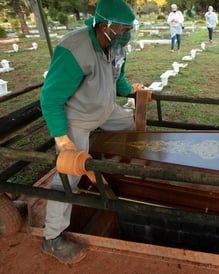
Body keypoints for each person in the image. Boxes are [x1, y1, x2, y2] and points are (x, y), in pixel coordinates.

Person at [39, 0, 145, 264]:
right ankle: (52, 238)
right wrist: (62, 139)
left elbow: (117, 79)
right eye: (122, 29)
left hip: (106, 108)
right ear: (104, 26)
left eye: (129, 29)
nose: (127, 35)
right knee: (68, 176)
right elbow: (50, 98)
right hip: (76, 119)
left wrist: (131, 89)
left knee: (130, 129)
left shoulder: (117, 45)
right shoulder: (74, 50)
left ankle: (119, 177)